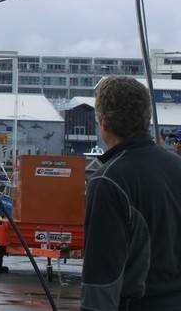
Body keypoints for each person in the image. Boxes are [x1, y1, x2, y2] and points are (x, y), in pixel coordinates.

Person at [80, 76, 181, 309]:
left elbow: (101, 280)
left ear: (103, 124)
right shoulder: (177, 167)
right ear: (147, 119)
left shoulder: (108, 181)